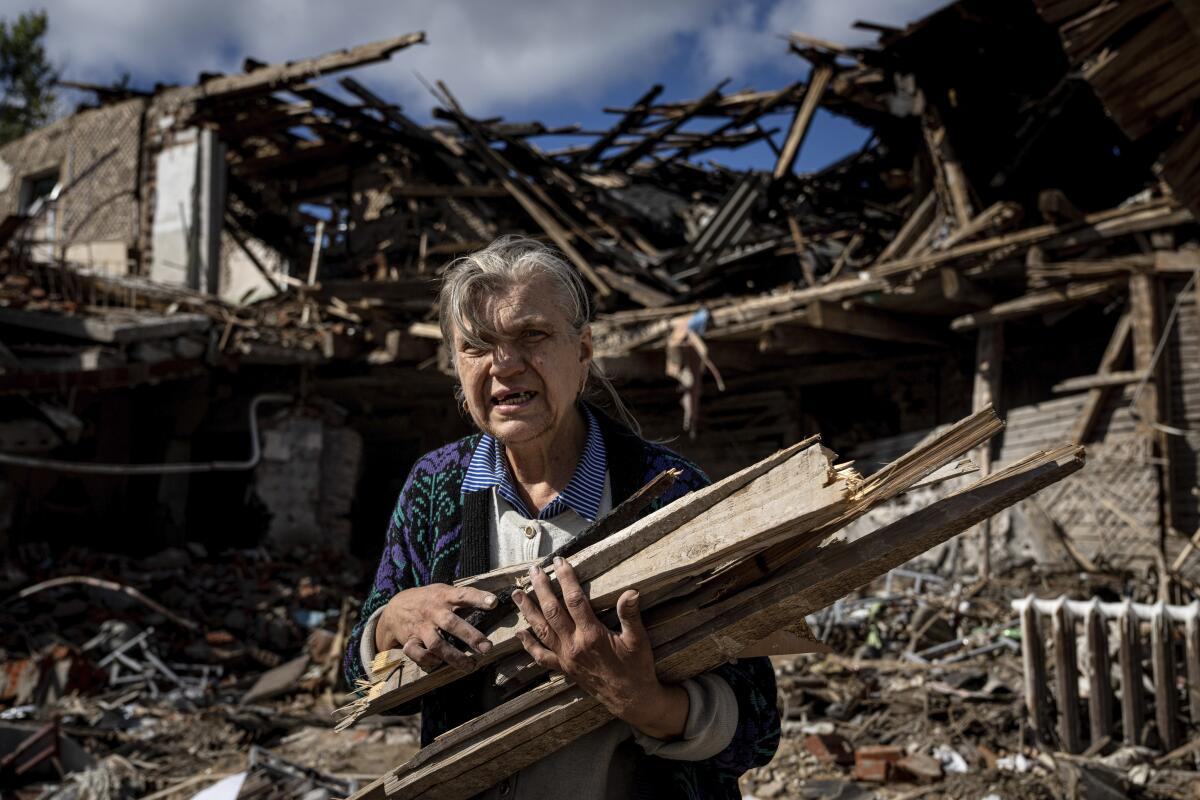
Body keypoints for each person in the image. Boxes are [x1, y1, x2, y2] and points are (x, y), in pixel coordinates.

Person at [343, 236, 780, 798]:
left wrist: (642, 700)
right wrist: (388, 624)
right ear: (455, 365)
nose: (505, 366)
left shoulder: (671, 494)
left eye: (532, 335)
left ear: (584, 350)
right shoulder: (434, 487)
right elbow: (357, 680)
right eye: (477, 345)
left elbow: (759, 727)